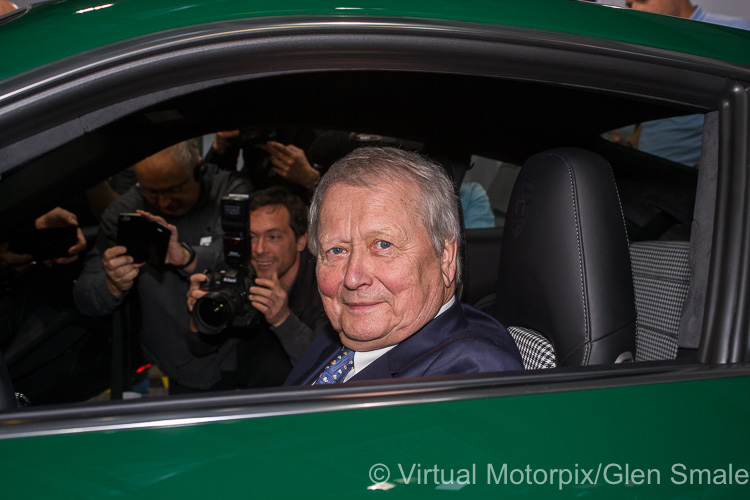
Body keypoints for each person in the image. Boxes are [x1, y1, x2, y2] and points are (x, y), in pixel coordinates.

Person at [284, 147, 522, 386]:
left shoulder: (471, 375)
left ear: (446, 257)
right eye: (336, 250)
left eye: (383, 245)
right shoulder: (338, 335)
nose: (353, 278)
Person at [73, 139, 251, 393]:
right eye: (152, 192)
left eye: (174, 189)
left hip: (232, 356)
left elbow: (246, 257)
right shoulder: (126, 212)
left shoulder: (229, 190)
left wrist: (189, 257)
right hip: (165, 363)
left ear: (198, 169)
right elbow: (84, 295)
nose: (164, 202)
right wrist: (111, 284)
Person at [185, 186, 327, 391]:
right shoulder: (238, 271)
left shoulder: (324, 284)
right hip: (243, 396)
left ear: (301, 240)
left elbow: (326, 368)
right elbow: (199, 347)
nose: (259, 250)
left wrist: (282, 319)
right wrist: (199, 313)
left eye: (273, 237)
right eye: (251, 237)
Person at [623, 0, 750, 166]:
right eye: (630, 5)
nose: (636, 10)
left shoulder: (731, 32)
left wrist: (713, 169)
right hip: (646, 170)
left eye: (642, 1)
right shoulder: (654, 39)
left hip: (695, 179)